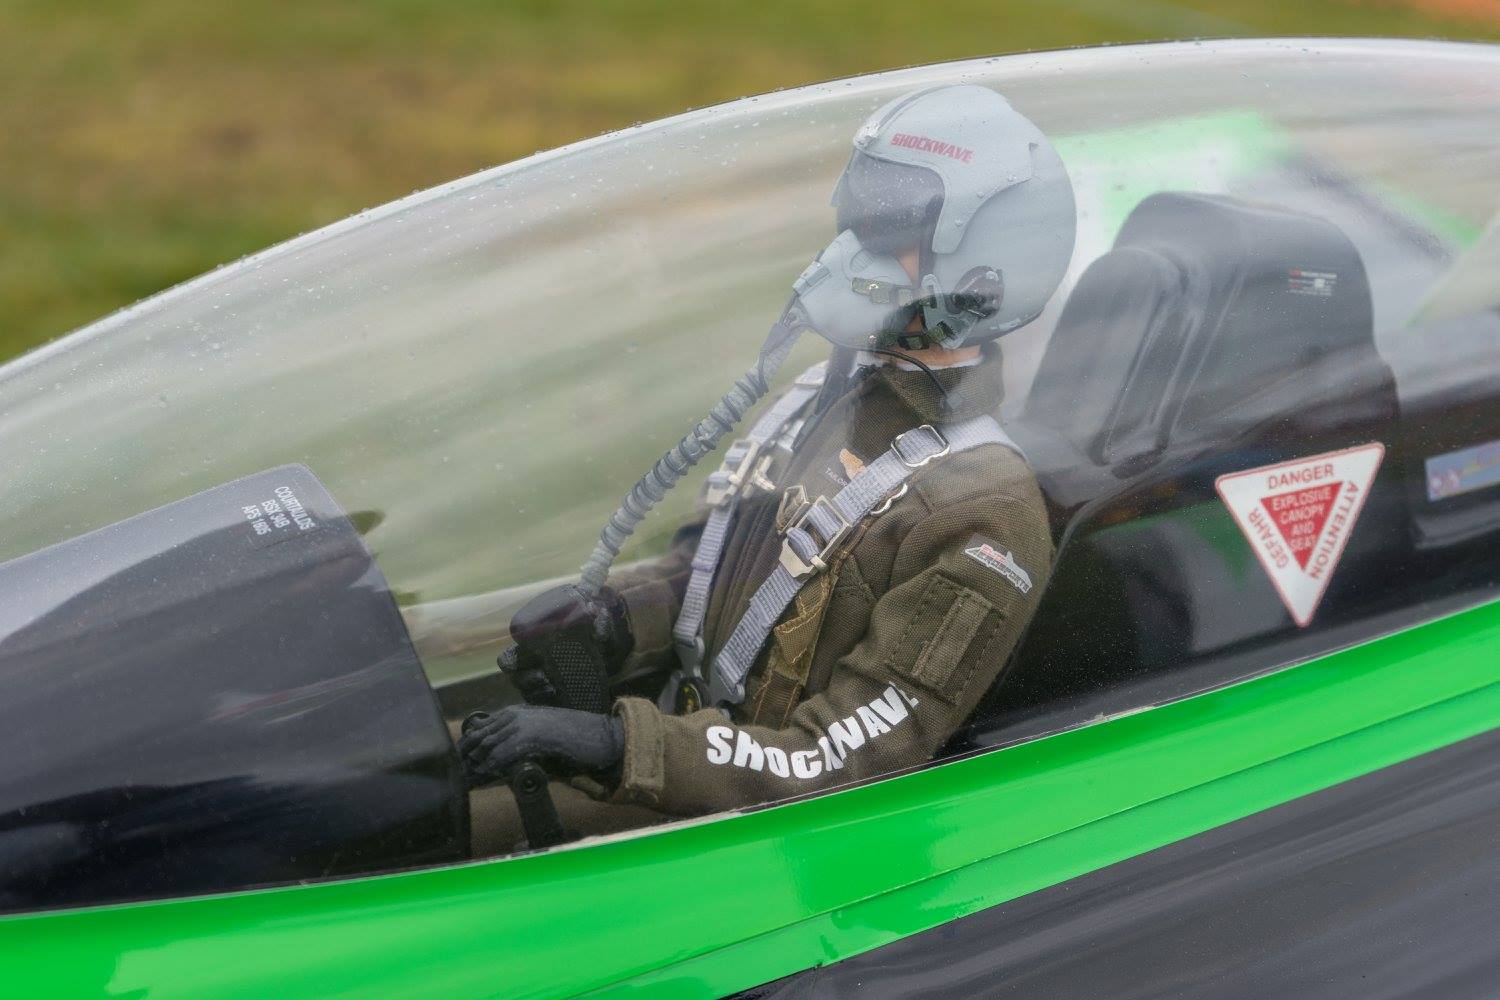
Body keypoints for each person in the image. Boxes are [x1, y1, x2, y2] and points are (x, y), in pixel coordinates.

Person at [460, 84, 1076, 851]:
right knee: (407, 769)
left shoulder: (983, 513)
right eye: (857, 218)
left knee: (433, 833)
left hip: (746, 829)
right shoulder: (821, 394)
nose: (852, 248)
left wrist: (619, 747)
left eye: (889, 227)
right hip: (681, 745)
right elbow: (715, 569)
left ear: (987, 265)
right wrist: (618, 621)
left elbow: (836, 761)